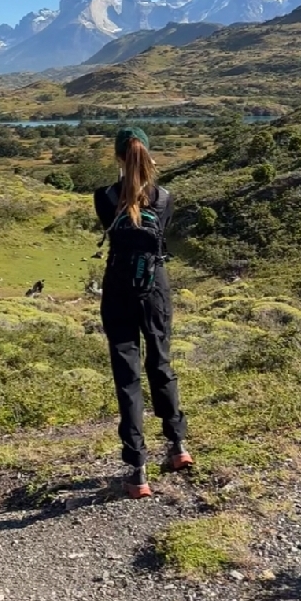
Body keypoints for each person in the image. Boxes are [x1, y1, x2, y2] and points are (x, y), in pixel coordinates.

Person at [93, 126, 191, 499]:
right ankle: (178, 446)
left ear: (118, 156)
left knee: (127, 376)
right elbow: (160, 237)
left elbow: (111, 226)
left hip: (118, 287)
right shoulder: (164, 198)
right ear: (148, 153)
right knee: (161, 363)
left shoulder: (104, 197)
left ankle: (137, 470)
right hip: (155, 288)